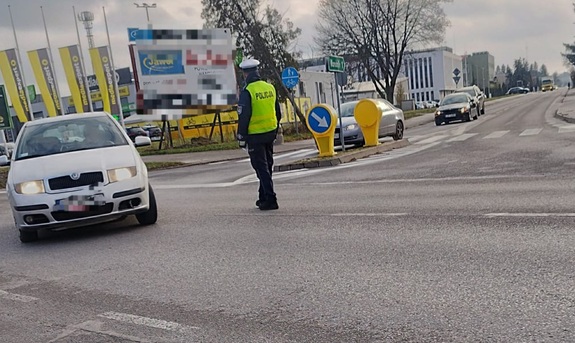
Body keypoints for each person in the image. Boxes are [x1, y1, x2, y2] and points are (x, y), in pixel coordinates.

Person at [237, 58, 282, 211]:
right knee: (268, 165)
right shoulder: (270, 87)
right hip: (270, 132)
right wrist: (275, 129)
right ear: (257, 71)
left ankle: (270, 199)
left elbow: (244, 117)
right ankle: (262, 196)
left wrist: (241, 137)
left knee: (260, 167)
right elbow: (278, 112)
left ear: (245, 74)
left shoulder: (247, 91)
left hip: (255, 136)